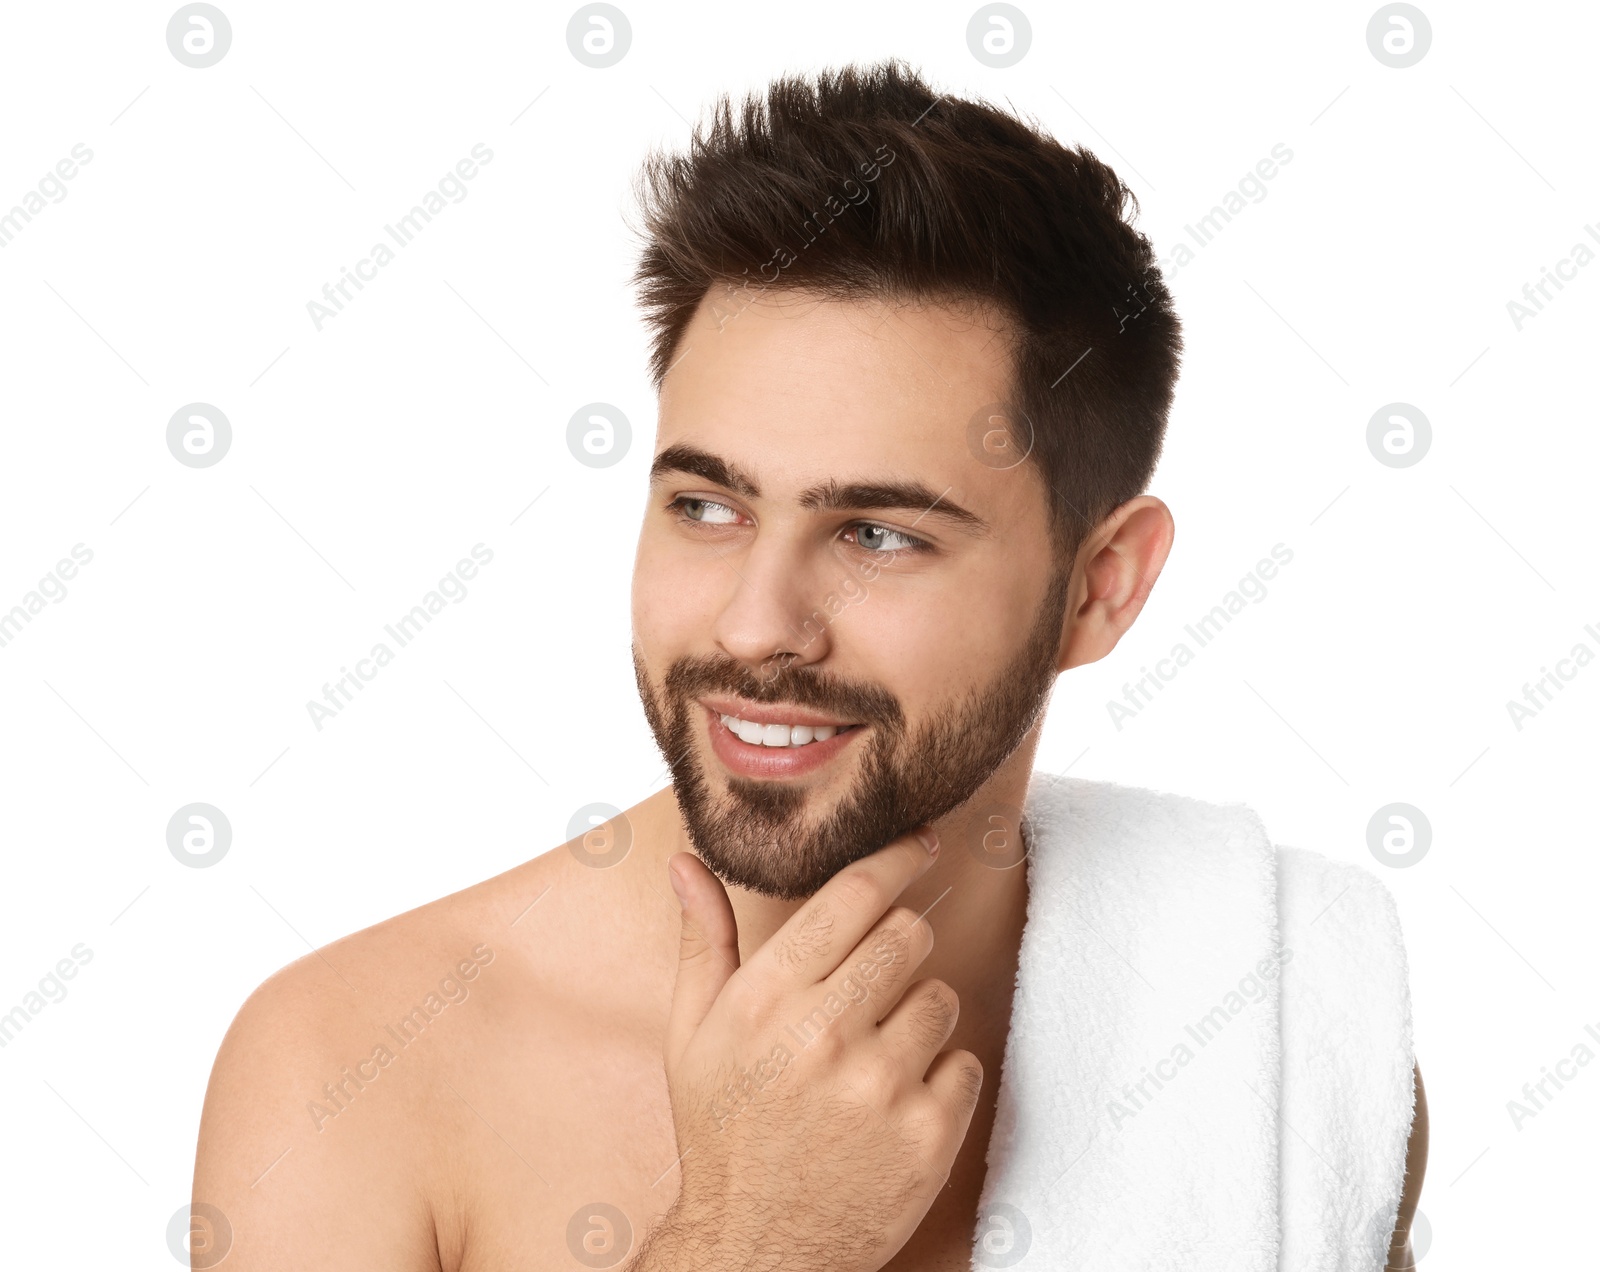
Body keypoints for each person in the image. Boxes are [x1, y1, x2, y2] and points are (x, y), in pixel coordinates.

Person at [192, 60, 1426, 1271]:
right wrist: (753, 1237)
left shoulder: (1269, 1034)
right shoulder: (358, 1073)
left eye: (878, 534)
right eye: (706, 507)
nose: (752, 624)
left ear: (1099, 587)